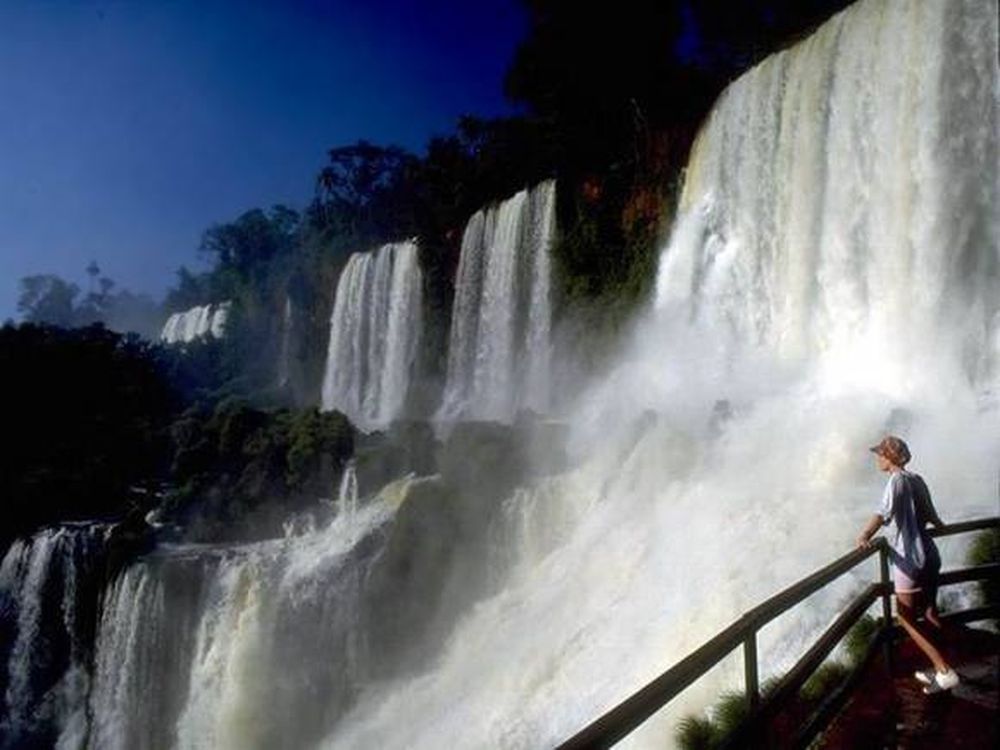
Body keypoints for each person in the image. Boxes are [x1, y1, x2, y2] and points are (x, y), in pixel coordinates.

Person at [855, 435, 959, 694]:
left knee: (905, 617)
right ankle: (941, 666)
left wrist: (864, 535)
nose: (877, 459)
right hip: (930, 554)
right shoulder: (916, 479)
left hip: (909, 558)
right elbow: (932, 515)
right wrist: (941, 527)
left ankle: (944, 670)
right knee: (930, 613)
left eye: (880, 454)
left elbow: (883, 513)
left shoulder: (896, 481)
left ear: (889, 457)